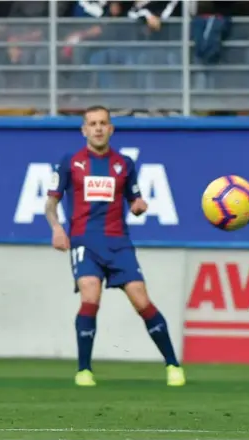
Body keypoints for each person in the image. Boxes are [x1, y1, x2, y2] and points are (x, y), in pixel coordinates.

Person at [45, 105, 185, 387]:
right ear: (84, 129)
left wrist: (138, 205)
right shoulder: (70, 162)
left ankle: (173, 366)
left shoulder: (124, 164)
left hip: (119, 243)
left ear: (111, 128)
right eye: (92, 123)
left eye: (103, 123)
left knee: (141, 299)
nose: (98, 128)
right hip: (85, 242)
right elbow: (51, 203)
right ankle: (84, 370)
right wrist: (57, 228)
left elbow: (135, 198)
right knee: (90, 296)